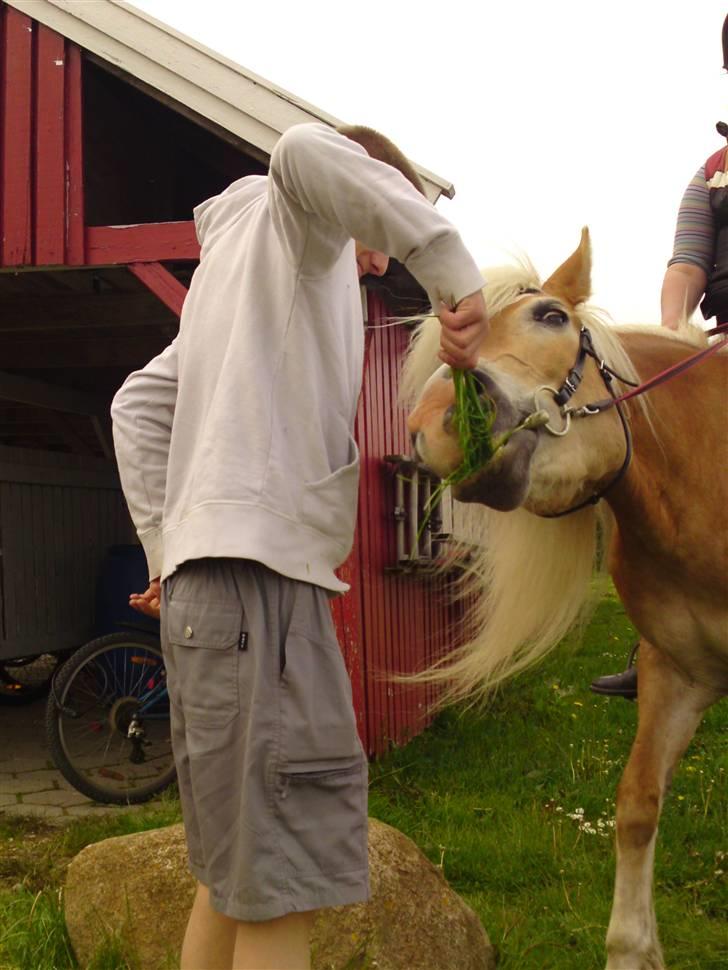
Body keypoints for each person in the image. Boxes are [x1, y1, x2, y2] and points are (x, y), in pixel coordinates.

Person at [111, 121, 488, 970]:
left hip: (215, 595)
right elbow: (300, 151)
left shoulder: (228, 277)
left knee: (233, 873)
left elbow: (135, 406)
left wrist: (166, 548)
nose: (384, 260)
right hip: (261, 593)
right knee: (282, 886)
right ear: (358, 192)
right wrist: (453, 274)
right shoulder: (301, 225)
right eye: (386, 227)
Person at [591, 14, 728, 702]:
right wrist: (675, 324)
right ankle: (663, 636)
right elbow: (688, 262)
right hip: (724, 337)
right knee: (644, 438)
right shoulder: (713, 173)